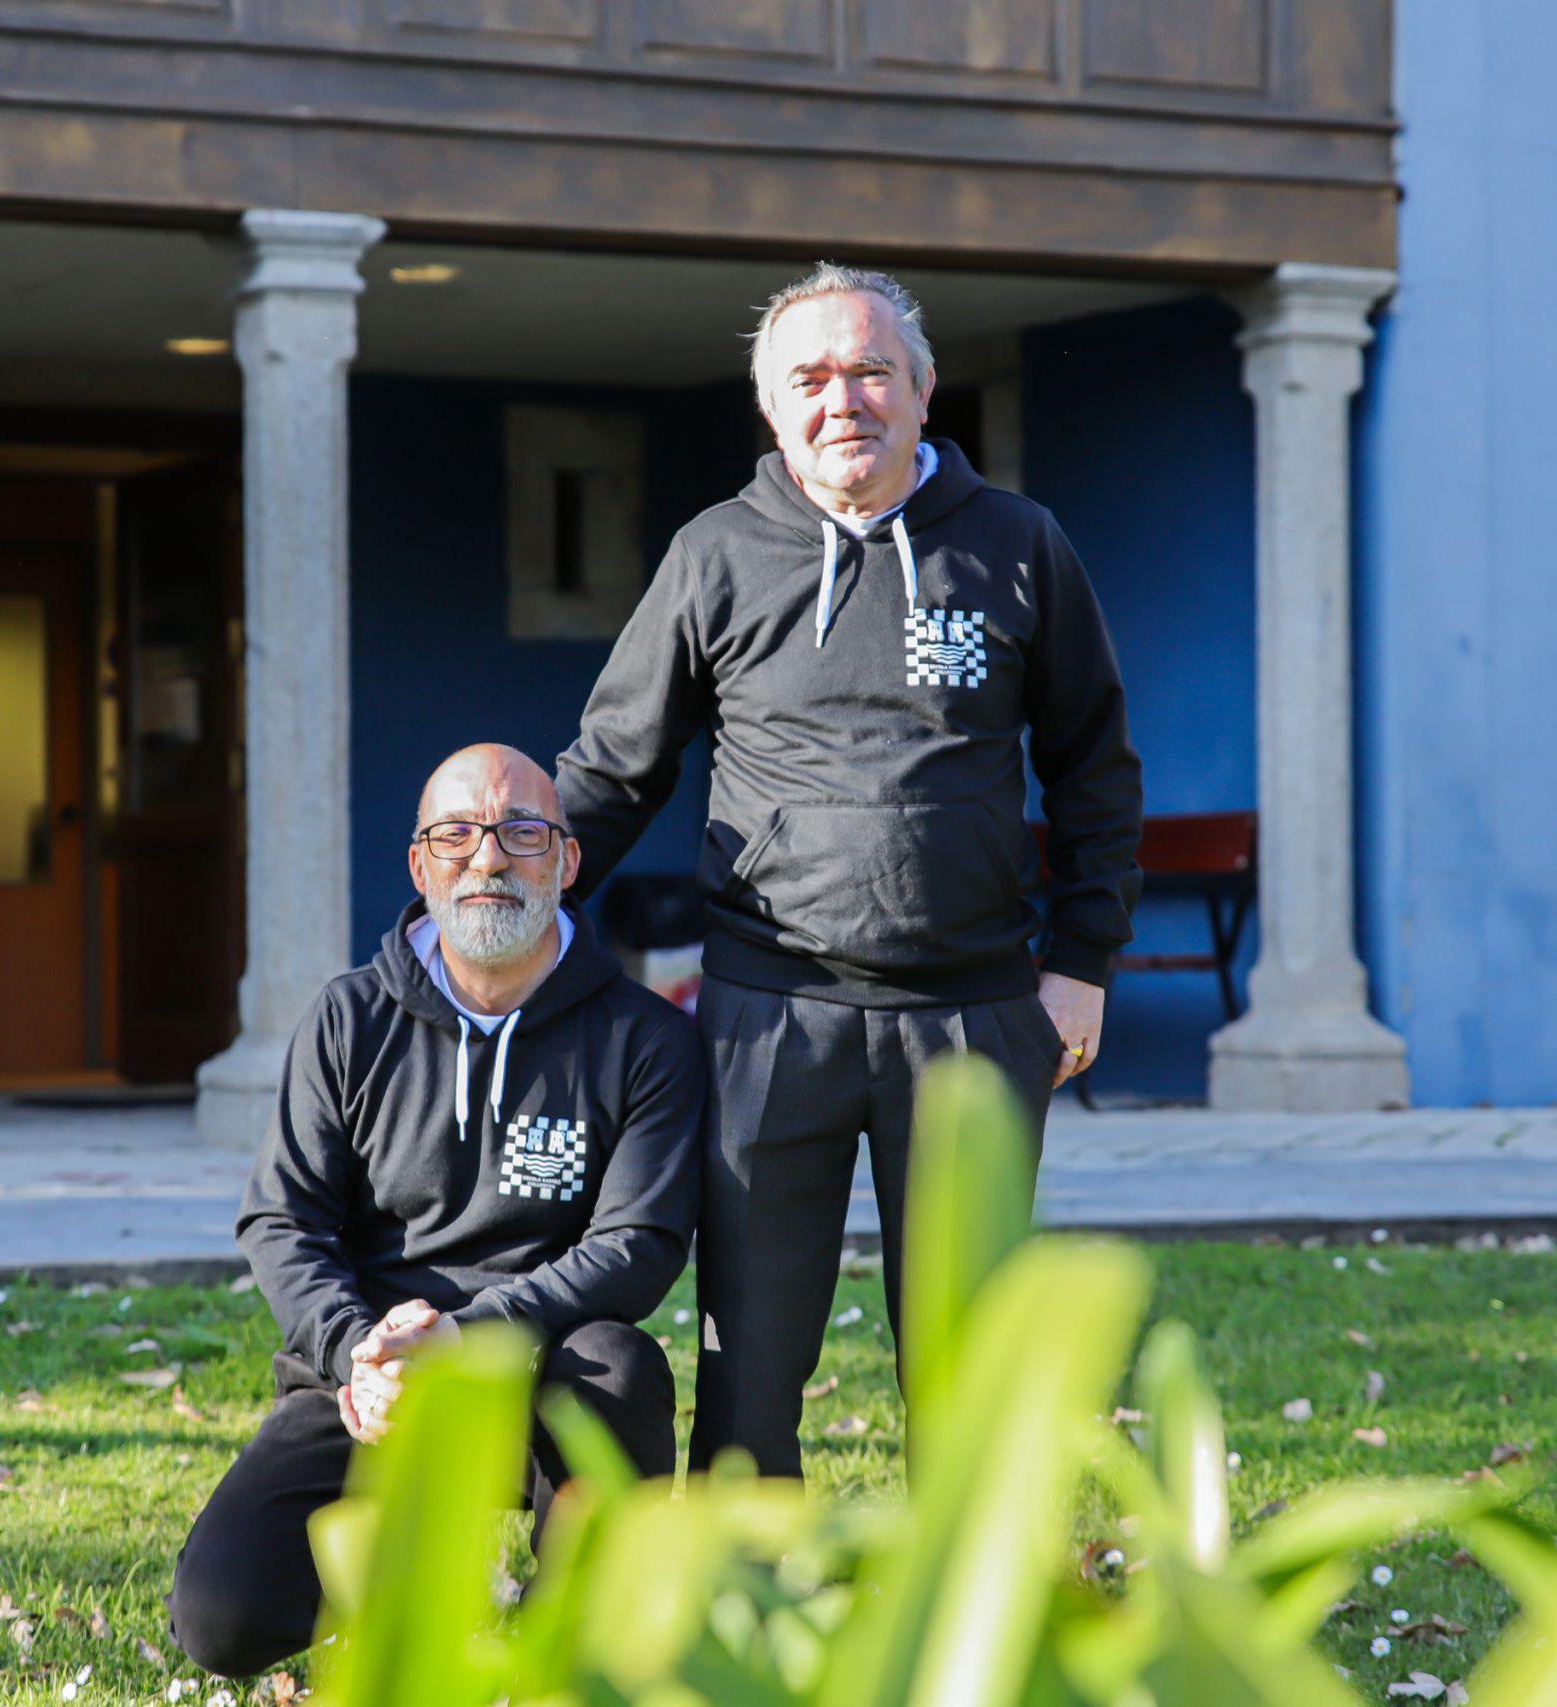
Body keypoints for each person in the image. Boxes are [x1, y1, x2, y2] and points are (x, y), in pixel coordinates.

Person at [556, 263, 1144, 1478]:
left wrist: (1080, 963)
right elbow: (615, 766)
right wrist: (485, 911)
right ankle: (744, 1611)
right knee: (751, 1359)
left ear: (925, 390)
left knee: (969, 1358)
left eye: (873, 370)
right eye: (810, 378)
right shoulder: (714, 555)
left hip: (975, 1015)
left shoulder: (1019, 546)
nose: (845, 400)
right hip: (770, 1016)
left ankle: (967, 1630)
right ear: (771, 410)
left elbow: (1094, 763)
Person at [167, 744, 703, 1677]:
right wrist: (354, 1353)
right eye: (456, 833)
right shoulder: (348, 1018)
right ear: (421, 864)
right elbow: (280, 1219)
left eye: (521, 831)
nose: (488, 857)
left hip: (543, 1367)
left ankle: (563, 1645)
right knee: (223, 1621)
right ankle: (384, 1600)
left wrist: (470, 1332)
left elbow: (639, 1243)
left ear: (566, 862)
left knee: (622, 1367)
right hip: (373, 1379)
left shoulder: (644, 1038)